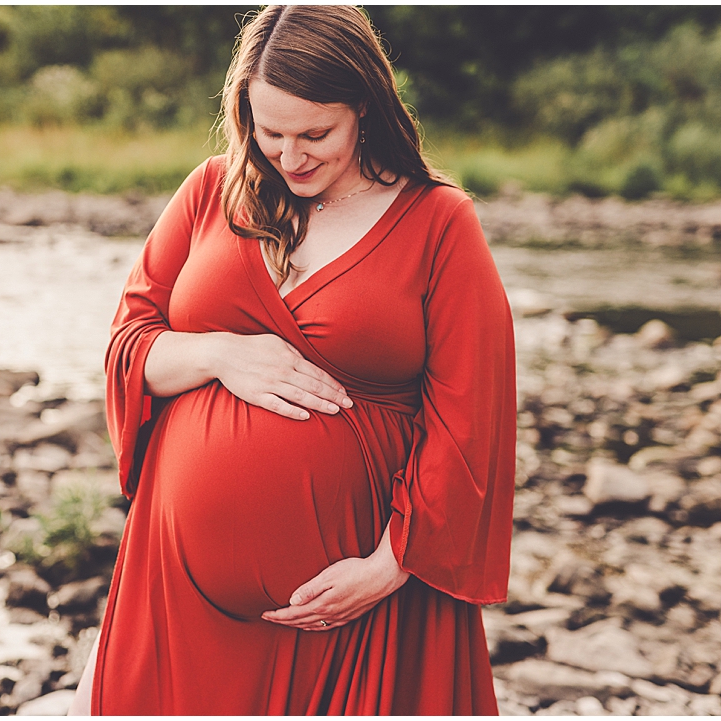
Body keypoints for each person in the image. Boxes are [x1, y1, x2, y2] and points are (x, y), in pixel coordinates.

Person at [70, 5, 515, 715]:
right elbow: (129, 347)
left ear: (364, 107)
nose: (291, 154)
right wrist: (221, 354)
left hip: (356, 607)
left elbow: (472, 414)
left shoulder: (439, 224)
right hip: (180, 590)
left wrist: (391, 566)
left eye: (316, 134)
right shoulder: (211, 191)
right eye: (268, 132)